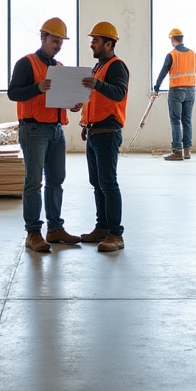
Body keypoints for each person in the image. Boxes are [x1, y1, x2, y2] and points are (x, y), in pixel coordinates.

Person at [7, 18, 83, 252]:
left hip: (56, 129)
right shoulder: (26, 64)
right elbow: (13, 93)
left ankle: (55, 228)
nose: (58, 45)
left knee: (56, 180)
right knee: (34, 182)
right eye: (54, 40)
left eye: (61, 41)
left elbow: (58, 98)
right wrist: (36, 88)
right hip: (34, 130)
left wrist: (72, 104)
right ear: (43, 39)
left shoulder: (59, 67)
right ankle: (33, 232)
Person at [79, 22, 130, 252]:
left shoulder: (117, 67)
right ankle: (102, 227)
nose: (92, 43)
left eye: (96, 40)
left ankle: (115, 234)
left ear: (109, 43)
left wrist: (98, 84)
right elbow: (93, 98)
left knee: (108, 183)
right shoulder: (98, 67)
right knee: (97, 183)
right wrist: (84, 122)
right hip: (93, 131)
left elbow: (119, 93)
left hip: (108, 133)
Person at [154, 27, 196, 161]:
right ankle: (187, 150)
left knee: (175, 120)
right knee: (187, 120)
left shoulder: (172, 55)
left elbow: (163, 72)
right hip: (191, 90)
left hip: (176, 90)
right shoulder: (192, 53)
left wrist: (156, 87)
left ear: (173, 39)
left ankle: (177, 151)